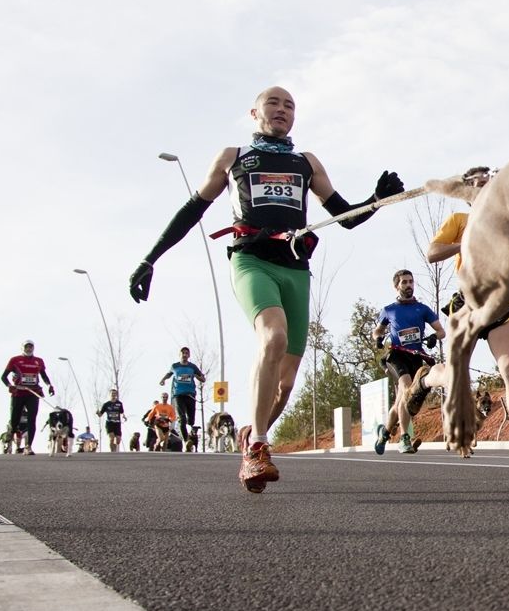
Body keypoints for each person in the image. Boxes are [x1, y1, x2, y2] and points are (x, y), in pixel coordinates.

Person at [129, 85, 404, 491]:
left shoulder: (306, 162)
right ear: (254, 114)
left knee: (285, 384)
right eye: (273, 103)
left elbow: (344, 217)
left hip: (295, 269)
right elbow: (192, 211)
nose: (282, 109)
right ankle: (258, 447)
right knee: (273, 336)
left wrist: (376, 199)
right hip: (252, 261)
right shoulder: (233, 158)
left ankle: (251, 434)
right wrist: (150, 258)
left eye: (289, 105)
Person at [427, 166, 509, 464]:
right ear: (466, 192)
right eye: (477, 184)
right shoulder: (460, 221)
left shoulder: (508, 222)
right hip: (467, 306)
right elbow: (432, 253)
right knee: (456, 375)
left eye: (488, 184)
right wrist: (466, 242)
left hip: (500, 305)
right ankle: (426, 383)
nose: (483, 189)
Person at [372, 270, 447, 455]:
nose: (408, 285)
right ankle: (405, 438)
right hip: (396, 356)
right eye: (404, 282)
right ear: (396, 286)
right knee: (406, 389)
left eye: (411, 281)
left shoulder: (423, 309)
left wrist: (433, 337)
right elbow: (377, 331)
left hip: (416, 357)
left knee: (402, 400)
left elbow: (441, 331)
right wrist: (378, 338)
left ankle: (385, 433)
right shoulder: (389, 310)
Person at [1, 339, 55, 454]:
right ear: (23, 348)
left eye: (31, 347)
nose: (29, 349)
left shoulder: (39, 361)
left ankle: (28, 446)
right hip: (18, 393)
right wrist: (10, 386)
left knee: (32, 419)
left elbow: (44, 376)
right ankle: (9, 438)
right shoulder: (15, 360)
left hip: (33, 393)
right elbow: (3, 377)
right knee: (15, 420)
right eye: (27, 347)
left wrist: (49, 385)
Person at [158, 347, 207, 450]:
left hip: (190, 395)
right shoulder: (175, 366)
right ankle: (186, 440)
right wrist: (163, 379)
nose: (184, 355)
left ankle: (188, 434)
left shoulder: (192, 367)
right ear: (180, 355)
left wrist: (197, 376)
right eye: (183, 353)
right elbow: (168, 374)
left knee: (191, 420)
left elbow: (203, 379)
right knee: (182, 418)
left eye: (186, 353)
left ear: (189, 355)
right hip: (178, 395)